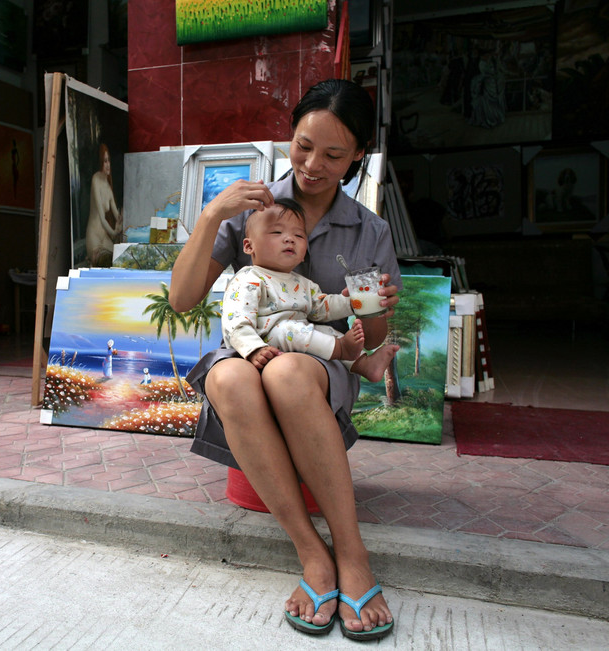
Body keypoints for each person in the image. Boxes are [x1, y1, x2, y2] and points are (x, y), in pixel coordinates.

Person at [168, 79, 399, 641]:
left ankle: (352, 554)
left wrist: (377, 307)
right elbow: (180, 299)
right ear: (289, 138)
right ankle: (312, 555)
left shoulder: (369, 230)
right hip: (252, 348)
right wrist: (209, 216)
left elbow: (370, 335)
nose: (312, 165)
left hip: (318, 362)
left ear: (358, 157)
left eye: (334, 155)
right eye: (302, 146)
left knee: (289, 370)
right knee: (227, 376)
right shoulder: (252, 210)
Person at [224, 198, 398, 383]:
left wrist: (355, 302)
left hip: (297, 339)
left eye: (299, 236)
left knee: (327, 331)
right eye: (276, 232)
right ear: (249, 246)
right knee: (291, 330)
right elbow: (236, 323)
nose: (290, 238)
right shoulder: (248, 279)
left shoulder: (302, 283)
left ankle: (364, 364)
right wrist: (254, 349)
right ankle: (340, 349)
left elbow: (322, 307)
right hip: (263, 341)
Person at [85, 143, 122, 266]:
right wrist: (114, 233)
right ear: (100, 162)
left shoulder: (107, 184)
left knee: (118, 259)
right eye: (105, 161)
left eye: (109, 161)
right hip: (94, 236)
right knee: (102, 262)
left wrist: (122, 221)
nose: (108, 164)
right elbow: (102, 217)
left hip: (104, 237)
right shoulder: (96, 179)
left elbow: (117, 215)